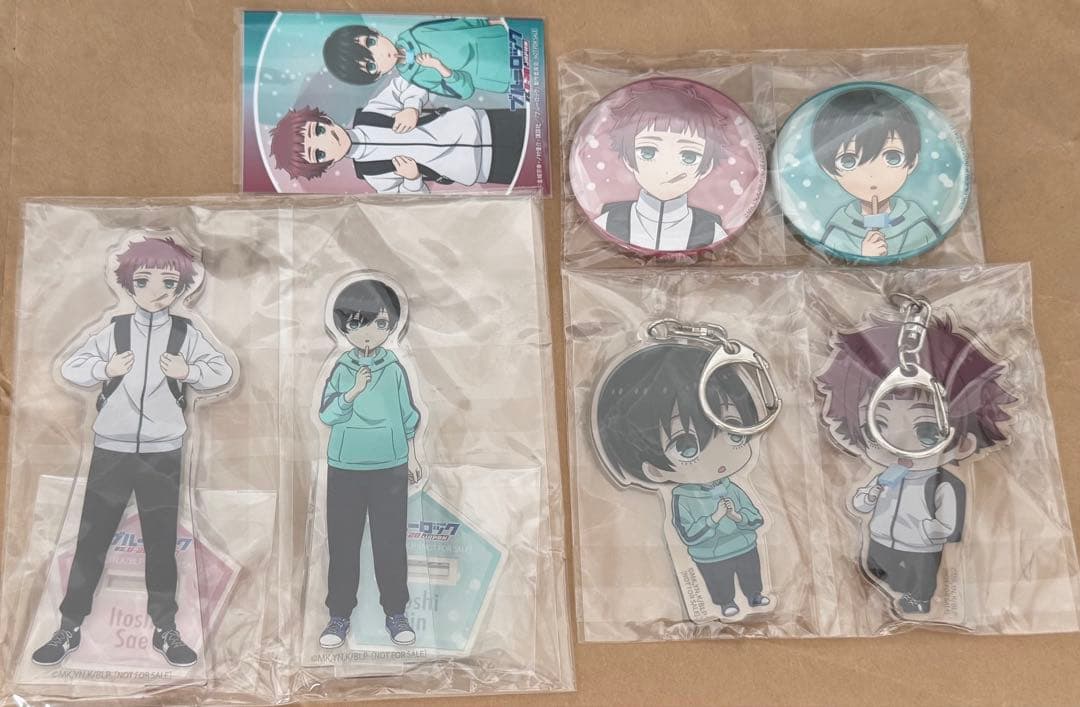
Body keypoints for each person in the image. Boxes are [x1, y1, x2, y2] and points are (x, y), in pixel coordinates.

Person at [32, 236, 233, 667]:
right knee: (92, 540)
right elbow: (71, 367)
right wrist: (105, 367)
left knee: (161, 544)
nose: (156, 290)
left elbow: (221, 371)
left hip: (164, 452)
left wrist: (188, 370)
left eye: (168, 282)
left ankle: (165, 629)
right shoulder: (116, 330)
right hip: (111, 450)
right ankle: (68, 626)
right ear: (127, 283)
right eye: (144, 280)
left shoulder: (185, 333)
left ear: (182, 287)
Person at [816, 319, 1015, 613]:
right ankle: (893, 587)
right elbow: (859, 505)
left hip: (920, 546)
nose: (899, 445)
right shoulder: (884, 476)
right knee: (878, 570)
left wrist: (929, 530)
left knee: (920, 580)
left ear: (963, 443)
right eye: (877, 427)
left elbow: (950, 523)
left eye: (926, 431)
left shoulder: (945, 484)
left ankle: (919, 599)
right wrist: (869, 495)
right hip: (881, 537)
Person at [594, 344, 770, 617]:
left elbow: (755, 517)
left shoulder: (732, 487)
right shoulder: (683, 499)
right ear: (654, 470)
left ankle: (755, 595)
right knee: (719, 582)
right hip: (709, 556)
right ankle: (725, 603)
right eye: (687, 446)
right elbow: (687, 533)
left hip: (745, 545)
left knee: (751, 573)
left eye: (733, 430)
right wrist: (714, 518)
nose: (718, 452)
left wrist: (738, 516)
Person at [317, 278, 423, 649]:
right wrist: (352, 392)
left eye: (380, 323)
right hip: (345, 466)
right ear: (344, 326)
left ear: (392, 326)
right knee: (343, 545)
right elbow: (327, 414)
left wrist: (412, 456)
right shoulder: (342, 367)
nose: (369, 333)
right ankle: (338, 616)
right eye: (358, 323)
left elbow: (408, 415)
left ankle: (396, 613)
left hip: (390, 466)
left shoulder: (394, 368)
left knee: (390, 544)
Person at [269, 77, 526, 193]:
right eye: (319, 153)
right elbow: (413, 202)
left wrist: (412, 107)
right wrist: (413, 179)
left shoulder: (373, 112)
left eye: (318, 130)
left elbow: (410, 81)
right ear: (324, 164)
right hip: (484, 168)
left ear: (323, 119)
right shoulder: (373, 174)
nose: (328, 140)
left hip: (486, 122)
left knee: (537, 126)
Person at [594, 81, 729, 252]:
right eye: (648, 152)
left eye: (688, 157)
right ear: (628, 159)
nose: (667, 170)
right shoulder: (608, 221)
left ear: (707, 167)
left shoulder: (712, 231)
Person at [811, 87, 940, 259]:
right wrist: (864, 255)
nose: (872, 174)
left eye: (892, 157)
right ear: (828, 169)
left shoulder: (917, 224)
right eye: (849, 161)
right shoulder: (840, 229)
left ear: (912, 162)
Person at [323, 18, 513, 99]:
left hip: (501, 36)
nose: (381, 55)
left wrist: (501, 22)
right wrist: (440, 68)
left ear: (375, 32)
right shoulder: (414, 77)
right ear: (377, 76)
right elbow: (465, 92)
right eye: (372, 66)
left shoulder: (416, 32)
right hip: (502, 76)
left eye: (371, 42)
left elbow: (461, 24)